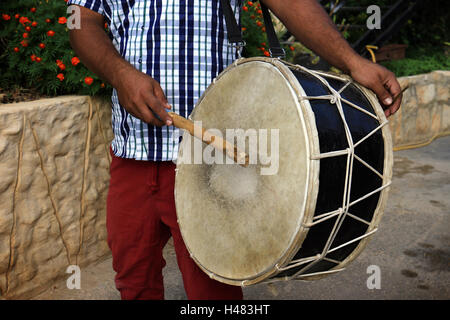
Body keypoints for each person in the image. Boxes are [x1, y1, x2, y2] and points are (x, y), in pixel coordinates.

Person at [67, 0, 403, 300]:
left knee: (213, 290)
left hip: (213, 159)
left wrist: (352, 62)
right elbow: (80, 18)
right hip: (134, 150)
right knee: (133, 280)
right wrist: (121, 74)